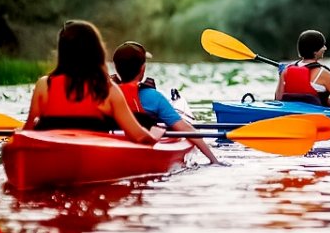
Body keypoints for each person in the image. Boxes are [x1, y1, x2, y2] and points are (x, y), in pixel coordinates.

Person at [24, 20, 160, 144]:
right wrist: (155, 134)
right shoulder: (108, 90)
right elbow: (140, 137)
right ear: (97, 52)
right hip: (92, 159)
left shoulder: (44, 85)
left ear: (63, 52)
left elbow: (27, 133)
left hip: (51, 156)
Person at [112, 40, 225, 166]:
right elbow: (186, 129)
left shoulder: (105, 95)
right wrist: (214, 160)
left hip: (111, 147)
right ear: (143, 68)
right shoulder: (154, 97)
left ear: (116, 68)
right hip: (146, 146)